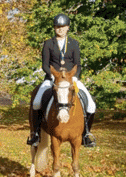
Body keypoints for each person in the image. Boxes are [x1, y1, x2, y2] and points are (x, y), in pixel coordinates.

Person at [27, 13, 96, 147]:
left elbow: (78, 64)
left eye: (63, 27)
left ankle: (86, 134)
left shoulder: (74, 43)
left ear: (68, 28)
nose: (60, 29)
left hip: (71, 79)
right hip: (52, 78)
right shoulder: (48, 43)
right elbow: (45, 65)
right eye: (58, 27)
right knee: (36, 102)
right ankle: (35, 133)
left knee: (91, 105)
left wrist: (74, 77)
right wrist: (53, 76)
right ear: (54, 28)